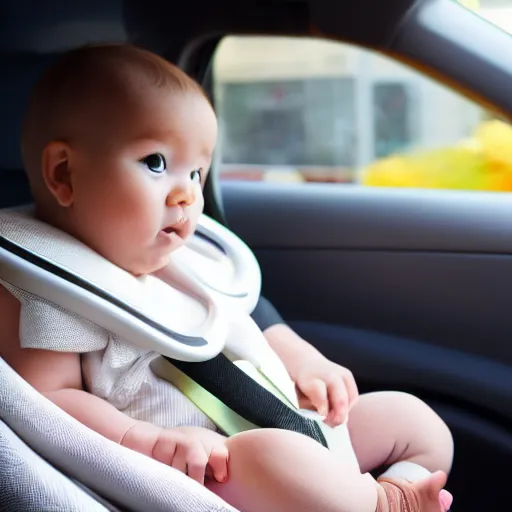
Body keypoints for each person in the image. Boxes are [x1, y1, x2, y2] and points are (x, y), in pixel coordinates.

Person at [0, 44, 454, 511]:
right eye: (156, 162)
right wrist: (147, 439)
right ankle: (381, 505)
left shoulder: (188, 257)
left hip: (293, 419)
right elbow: (50, 404)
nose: (187, 195)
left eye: (197, 172)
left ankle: (391, 493)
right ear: (64, 173)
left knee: (418, 424)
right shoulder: (39, 279)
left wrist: (305, 361)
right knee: (279, 458)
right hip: (212, 465)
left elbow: (248, 321)